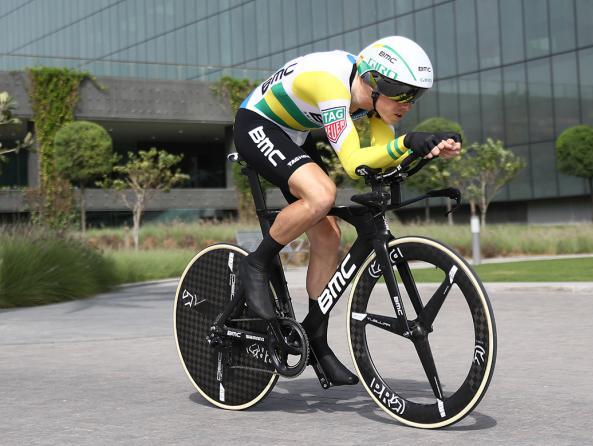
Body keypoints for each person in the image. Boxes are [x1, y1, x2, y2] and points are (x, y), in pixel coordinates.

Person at [233, 36, 461, 386]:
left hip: (295, 133)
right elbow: (355, 163)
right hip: (257, 124)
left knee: (328, 234)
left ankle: (316, 344)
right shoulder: (331, 83)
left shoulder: (372, 100)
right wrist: (408, 141)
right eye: (402, 93)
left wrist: (421, 148)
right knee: (323, 195)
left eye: (415, 95)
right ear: (374, 82)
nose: (408, 104)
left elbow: (384, 156)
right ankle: (256, 263)